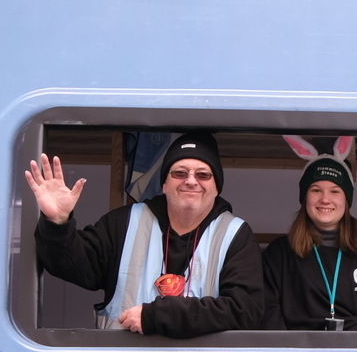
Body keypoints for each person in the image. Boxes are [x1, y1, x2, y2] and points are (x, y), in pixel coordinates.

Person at [27, 131, 264, 336]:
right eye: (179, 173)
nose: (191, 181)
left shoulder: (236, 235)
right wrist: (57, 222)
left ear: (217, 186)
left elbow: (246, 311)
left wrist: (156, 316)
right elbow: (71, 266)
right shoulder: (123, 222)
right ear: (164, 184)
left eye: (203, 174)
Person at [262, 135, 357, 331]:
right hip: (296, 350)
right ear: (305, 197)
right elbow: (264, 313)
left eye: (335, 191)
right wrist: (294, 349)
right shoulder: (278, 254)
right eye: (316, 190)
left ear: (346, 199)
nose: (325, 199)